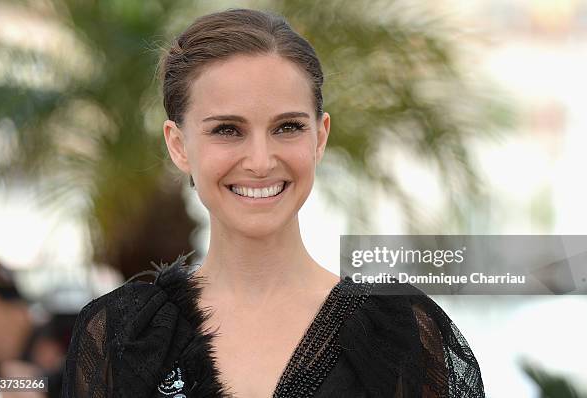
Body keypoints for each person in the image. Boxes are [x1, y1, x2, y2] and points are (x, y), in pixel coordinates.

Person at [61, 8, 485, 398]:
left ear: (319, 137)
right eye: (227, 130)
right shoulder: (120, 332)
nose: (261, 162)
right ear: (178, 145)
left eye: (287, 127)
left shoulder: (402, 331)